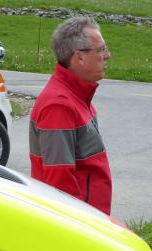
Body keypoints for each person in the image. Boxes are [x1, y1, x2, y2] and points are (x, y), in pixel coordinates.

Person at [29, 16, 112, 215]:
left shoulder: (76, 96)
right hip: (79, 225)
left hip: (90, 220)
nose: (108, 55)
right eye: (100, 49)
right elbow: (59, 184)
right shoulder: (59, 105)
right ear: (79, 57)